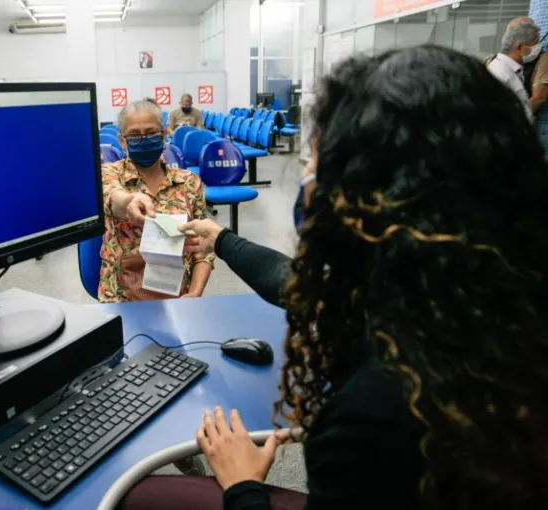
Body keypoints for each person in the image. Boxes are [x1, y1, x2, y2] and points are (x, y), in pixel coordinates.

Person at [120, 45, 548, 510]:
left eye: (319, 161)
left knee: (138, 495)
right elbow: (298, 285)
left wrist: (243, 485)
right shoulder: (475, 299)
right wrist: (222, 240)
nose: (306, 178)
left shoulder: (375, 414)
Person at [99, 99, 215, 303]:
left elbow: (203, 249)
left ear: (163, 135)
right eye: (134, 135)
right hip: (122, 299)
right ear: (123, 141)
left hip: (179, 297)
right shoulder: (109, 173)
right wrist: (129, 201)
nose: (144, 139)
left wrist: (195, 293)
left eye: (151, 133)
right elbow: (111, 195)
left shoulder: (188, 182)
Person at [487, 17, 540, 120]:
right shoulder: (500, 73)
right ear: (519, 47)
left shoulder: (511, 70)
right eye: (535, 43)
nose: (539, 48)